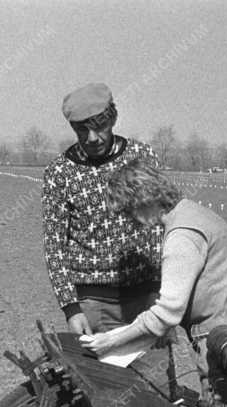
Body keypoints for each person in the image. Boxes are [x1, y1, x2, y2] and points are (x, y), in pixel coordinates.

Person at [82, 160, 227, 407]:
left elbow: (167, 312)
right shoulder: (194, 213)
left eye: (129, 209)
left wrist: (110, 340)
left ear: (143, 198)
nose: (131, 219)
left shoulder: (182, 237)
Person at [43, 83, 163, 337]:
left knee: (154, 376)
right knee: (98, 377)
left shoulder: (142, 157)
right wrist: (71, 308)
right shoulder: (60, 173)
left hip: (147, 302)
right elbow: (55, 246)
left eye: (99, 127)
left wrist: (160, 294)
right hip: (93, 307)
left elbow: (160, 228)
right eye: (82, 130)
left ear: (113, 118)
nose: (92, 138)